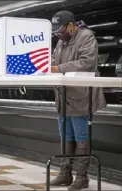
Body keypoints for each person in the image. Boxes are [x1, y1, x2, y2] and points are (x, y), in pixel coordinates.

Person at [50, 11, 106, 190]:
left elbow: (87, 62)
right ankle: (65, 173)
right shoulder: (61, 41)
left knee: (81, 137)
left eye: (61, 29)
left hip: (81, 97)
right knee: (65, 135)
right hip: (63, 97)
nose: (58, 34)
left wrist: (58, 68)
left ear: (72, 26)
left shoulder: (86, 37)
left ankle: (82, 177)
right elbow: (53, 60)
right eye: (56, 31)